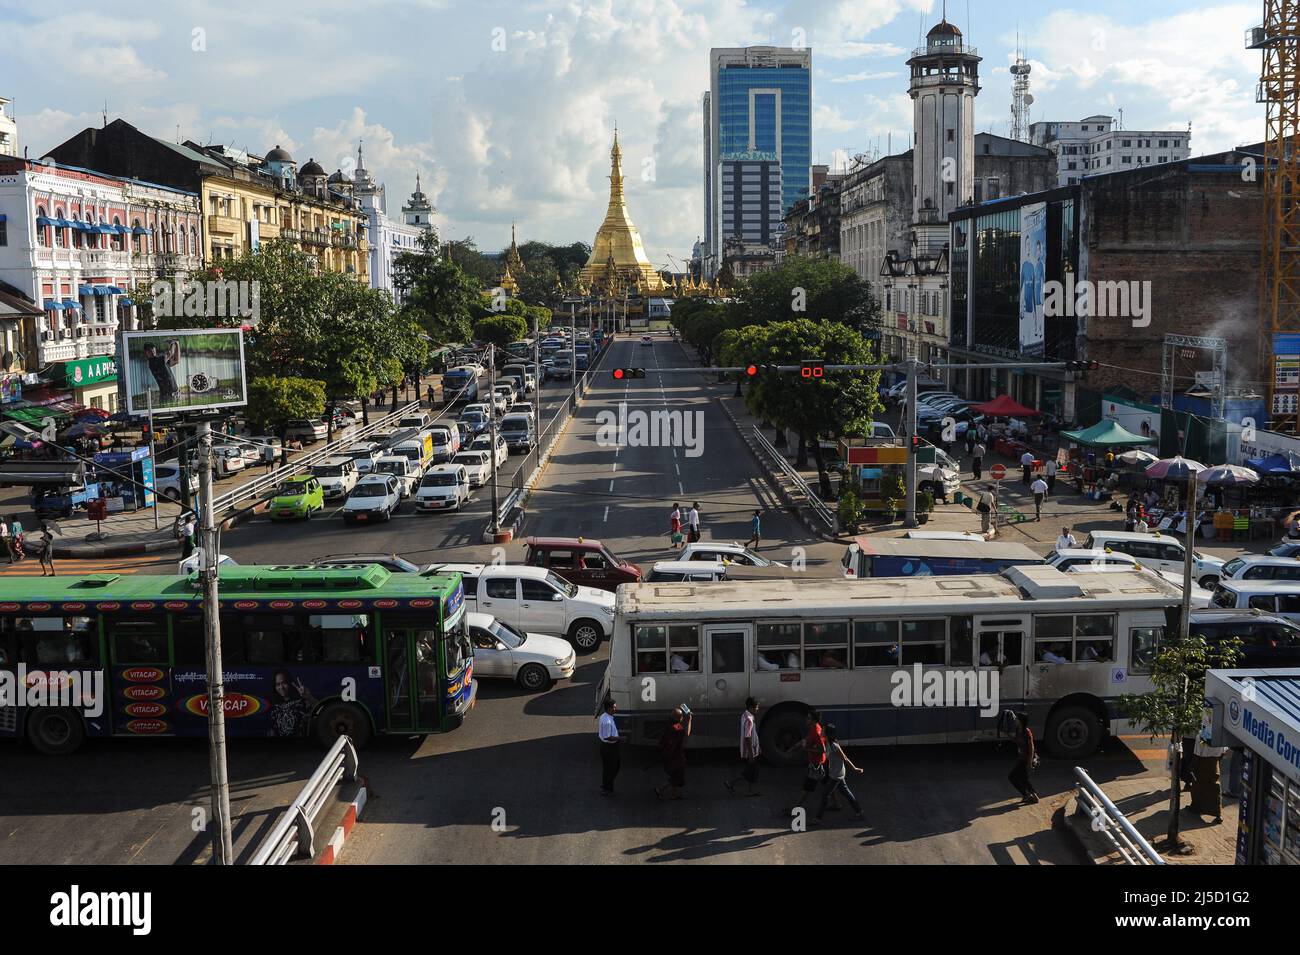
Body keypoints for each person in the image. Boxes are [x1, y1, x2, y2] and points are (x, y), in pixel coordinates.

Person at [812, 724, 865, 824]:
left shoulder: (834, 746)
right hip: (834, 773)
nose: (821, 732)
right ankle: (859, 812)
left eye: (823, 731)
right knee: (846, 793)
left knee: (825, 795)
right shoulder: (827, 743)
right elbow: (822, 752)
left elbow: (844, 758)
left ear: (827, 734)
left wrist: (855, 768)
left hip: (837, 775)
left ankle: (817, 819)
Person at [791, 709, 830, 814]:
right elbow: (807, 739)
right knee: (827, 784)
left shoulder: (817, 732)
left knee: (807, 788)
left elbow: (823, 750)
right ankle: (837, 803)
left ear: (813, 720)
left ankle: (795, 809)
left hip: (816, 764)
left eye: (808, 718)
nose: (806, 719)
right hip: (820, 763)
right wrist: (797, 746)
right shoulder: (814, 728)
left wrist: (808, 749)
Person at [724, 697, 762, 797]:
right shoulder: (749, 720)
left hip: (750, 749)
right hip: (751, 751)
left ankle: (750, 790)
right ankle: (731, 783)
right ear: (751, 707)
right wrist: (751, 754)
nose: (758, 709)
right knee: (749, 771)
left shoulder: (745, 715)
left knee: (751, 771)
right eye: (756, 707)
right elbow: (747, 737)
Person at [654, 705, 692, 800]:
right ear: (679, 718)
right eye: (682, 716)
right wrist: (690, 719)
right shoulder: (677, 728)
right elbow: (687, 733)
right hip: (676, 756)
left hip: (668, 754)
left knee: (675, 775)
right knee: (676, 776)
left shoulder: (669, 725)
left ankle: (674, 794)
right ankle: (661, 789)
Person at [268, 670, 317, 737]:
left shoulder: (301, 701)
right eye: (278, 684)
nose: (281, 687)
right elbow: (272, 730)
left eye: (284, 683)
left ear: (290, 683)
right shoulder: (275, 707)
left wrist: (309, 697)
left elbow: (320, 709)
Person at [1008, 711, 1040, 804]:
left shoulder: (1027, 732)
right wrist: (1008, 736)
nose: (1015, 720)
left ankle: (1029, 796)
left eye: (1017, 719)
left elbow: (1032, 748)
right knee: (1023, 779)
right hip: (1021, 758)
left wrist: (1029, 763)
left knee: (1013, 777)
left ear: (1021, 721)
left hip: (1026, 760)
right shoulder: (1019, 729)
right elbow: (1017, 741)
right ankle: (1031, 796)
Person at [597, 697, 621, 796]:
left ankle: (605, 785)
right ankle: (608, 788)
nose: (616, 709)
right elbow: (607, 737)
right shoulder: (607, 721)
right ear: (609, 709)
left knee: (608, 768)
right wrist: (619, 739)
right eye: (614, 707)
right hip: (609, 748)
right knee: (612, 768)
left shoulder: (605, 716)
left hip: (607, 748)